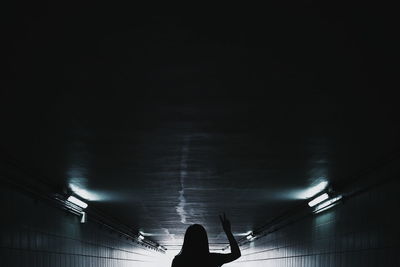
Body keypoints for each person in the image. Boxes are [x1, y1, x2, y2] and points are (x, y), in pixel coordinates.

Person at [171, 213, 241, 267]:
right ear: (204, 240)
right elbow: (236, 254)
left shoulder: (178, 261)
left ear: (187, 240)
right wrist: (228, 231)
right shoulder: (212, 259)